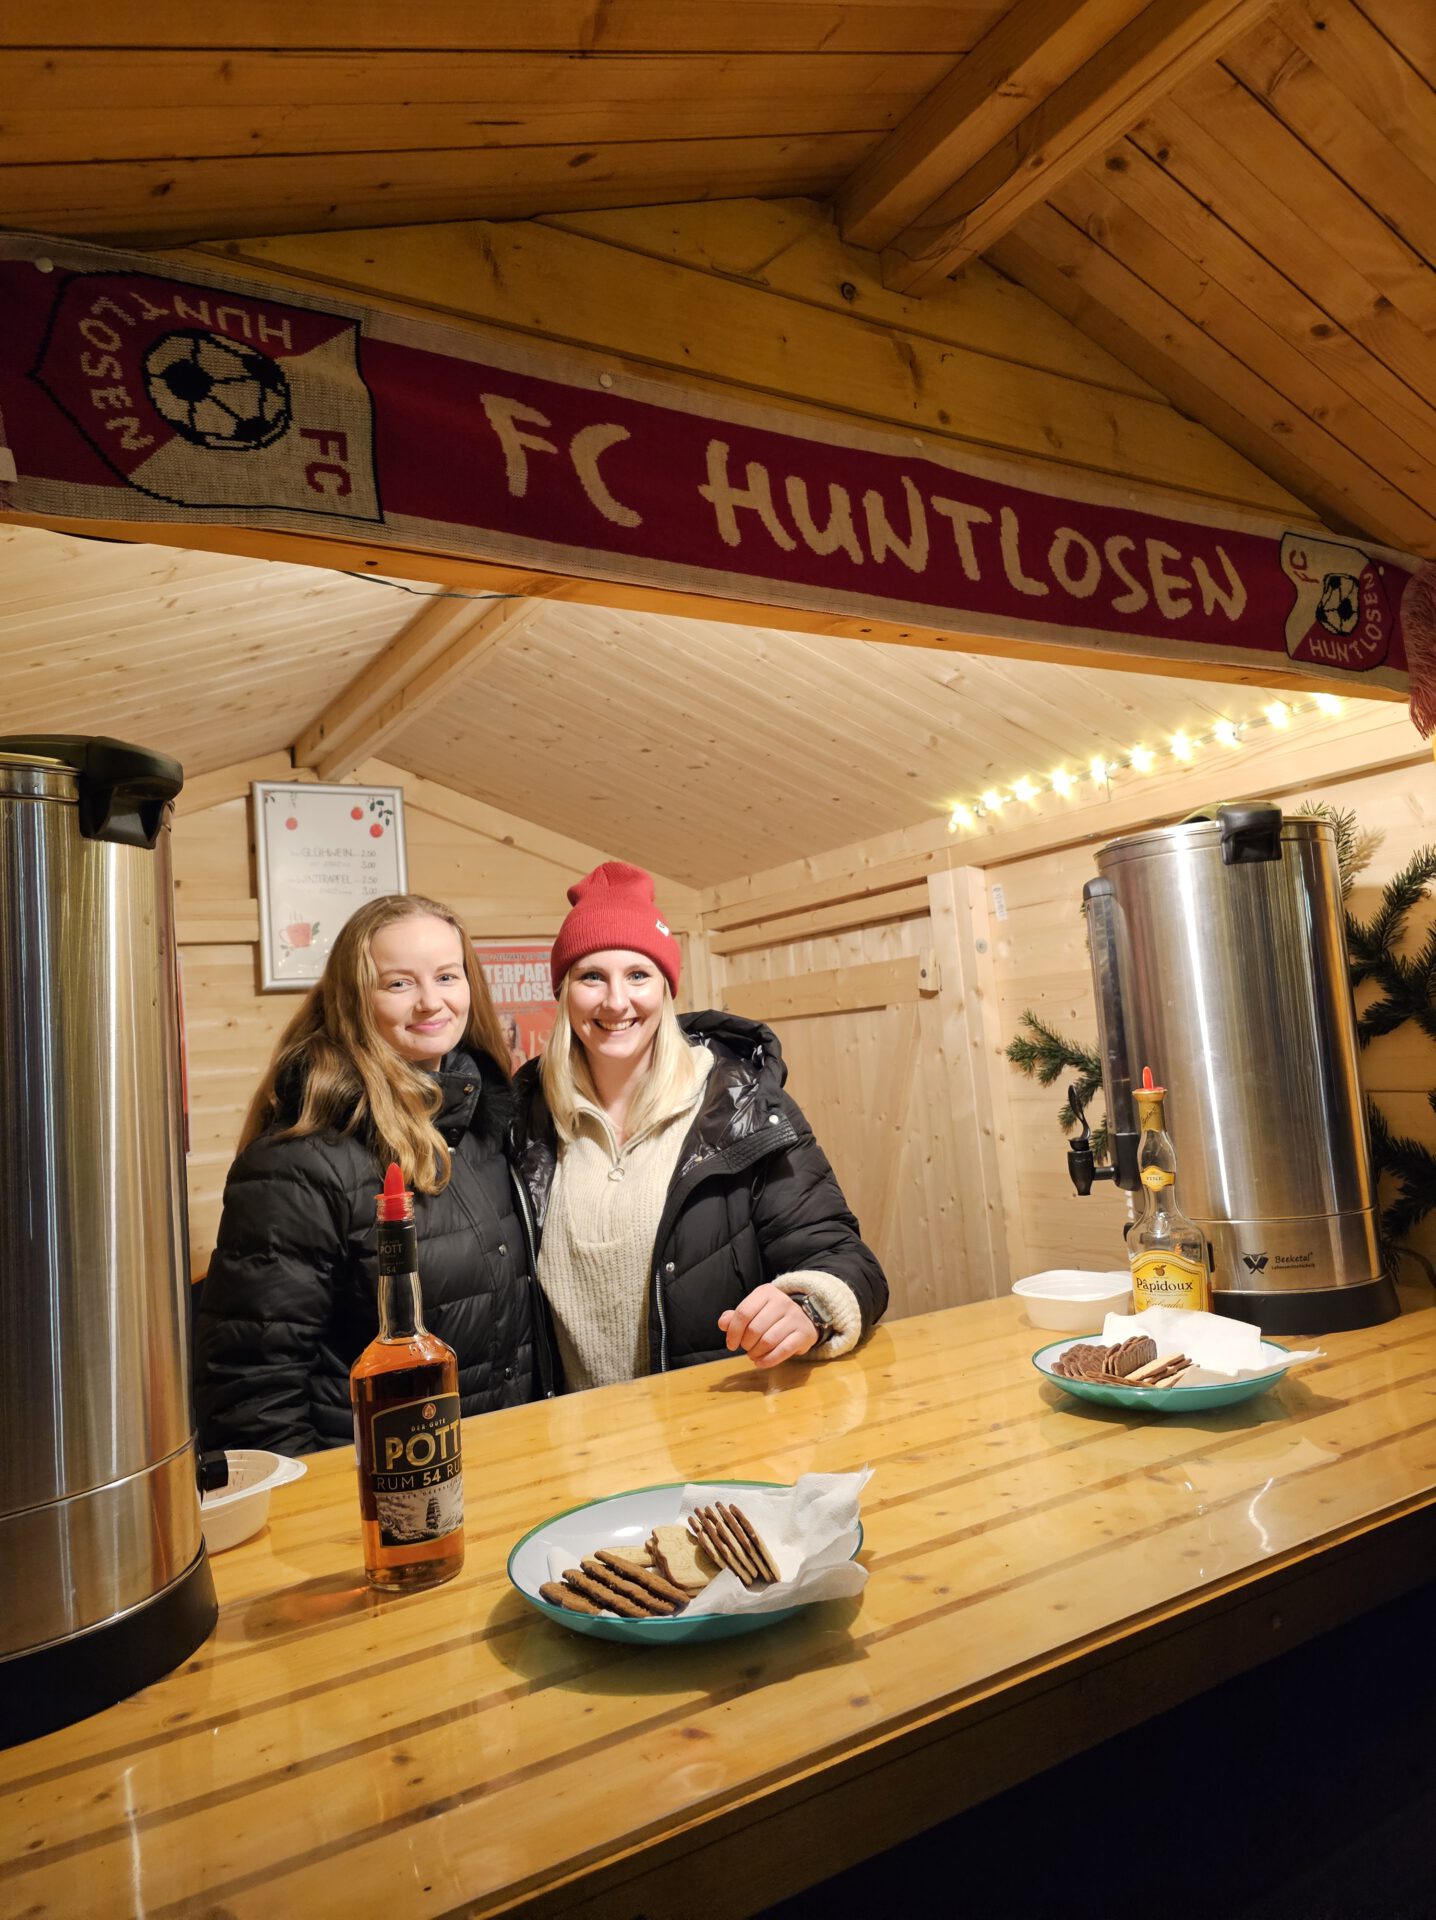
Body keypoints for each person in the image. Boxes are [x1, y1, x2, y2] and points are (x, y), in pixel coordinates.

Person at [194, 893, 549, 1456]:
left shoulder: (484, 1125)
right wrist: (320, 1503)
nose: (430, 1002)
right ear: (355, 999)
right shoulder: (302, 1161)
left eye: (447, 976)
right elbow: (251, 1395)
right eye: (399, 983)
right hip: (373, 1487)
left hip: (494, 1467)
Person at [509, 862, 887, 1389]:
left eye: (638, 975)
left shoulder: (745, 1106)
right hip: (574, 1435)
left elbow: (844, 1257)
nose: (616, 1001)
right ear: (564, 991)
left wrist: (810, 1307)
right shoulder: (523, 1119)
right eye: (591, 976)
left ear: (666, 988)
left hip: (711, 1423)